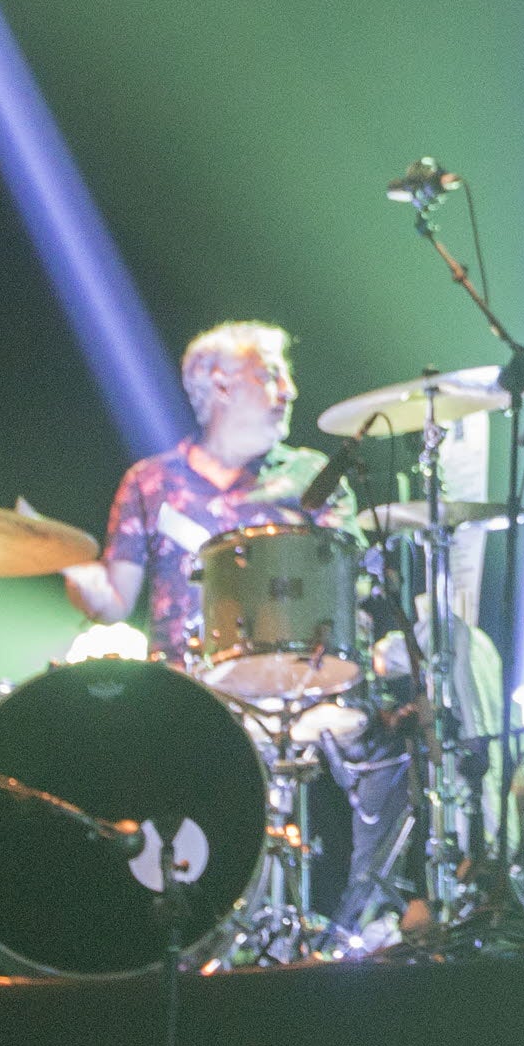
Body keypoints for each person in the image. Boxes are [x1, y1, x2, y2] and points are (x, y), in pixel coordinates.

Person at [67, 320, 413, 940]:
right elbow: (115, 601)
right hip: (188, 695)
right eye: (270, 373)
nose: (289, 388)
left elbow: (352, 581)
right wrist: (62, 561)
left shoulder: (312, 475)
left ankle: (363, 921)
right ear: (220, 385)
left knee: (398, 743)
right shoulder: (151, 481)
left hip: (305, 686)